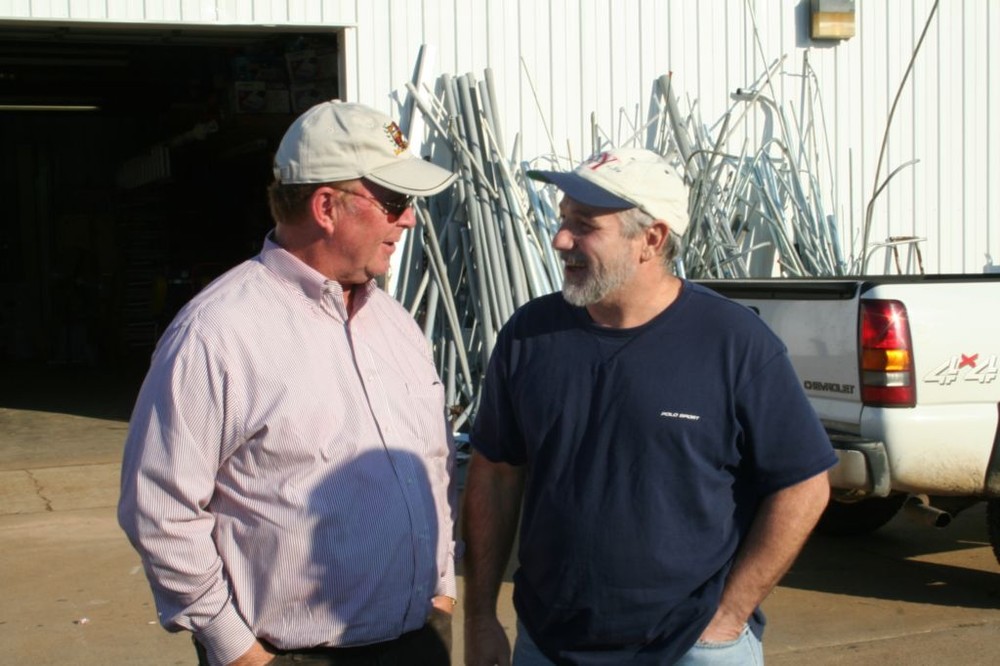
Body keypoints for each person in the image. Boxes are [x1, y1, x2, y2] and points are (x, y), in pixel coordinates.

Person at [461, 147, 837, 665]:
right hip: (548, 646)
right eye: (563, 219)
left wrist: (729, 615)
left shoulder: (732, 342)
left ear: (652, 239)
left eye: (585, 225)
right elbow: (496, 474)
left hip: (691, 648)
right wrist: (480, 617)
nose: (560, 239)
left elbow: (803, 486)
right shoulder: (530, 335)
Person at [119, 100, 459, 666]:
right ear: (326, 206)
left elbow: (434, 464)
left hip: (418, 640)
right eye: (395, 201)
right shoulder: (218, 332)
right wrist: (239, 651)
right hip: (290, 655)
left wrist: (442, 592)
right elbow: (160, 509)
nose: (410, 220)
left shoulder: (396, 325)